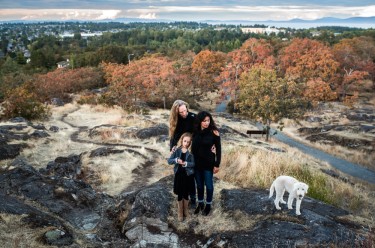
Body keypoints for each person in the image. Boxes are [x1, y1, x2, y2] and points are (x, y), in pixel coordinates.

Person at [192, 111, 221, 216]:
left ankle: (208, 205)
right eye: (204, 121)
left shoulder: (214, 132)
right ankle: (200, 203)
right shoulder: (195, 132)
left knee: (209, 186)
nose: (206, 123)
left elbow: (219, 150)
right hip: (196, 164)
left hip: (208, 164)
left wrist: (217, 164)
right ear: (200, 121)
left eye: (208, 120)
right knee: (199, 185)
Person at [168, 100, 197, 207]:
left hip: (193, 149)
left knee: (191, 174)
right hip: (181, 148)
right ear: (176, 113)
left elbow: (204, 127)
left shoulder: (193, 117)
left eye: (185, 110)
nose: (185, 113)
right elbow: (173, 136)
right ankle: (184, 197)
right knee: (182, 174)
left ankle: (193, 198)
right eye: (181, 112)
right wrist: (172, 148)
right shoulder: (175, 121)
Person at [167, 132, 195, 221]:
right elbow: (169, 161)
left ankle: (185, 210)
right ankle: (180, 211)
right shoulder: (177, 150)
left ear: (190, 143)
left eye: (188, 142)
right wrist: (176, 160)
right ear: (181, 140)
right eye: (185, 141)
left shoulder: (191, 153)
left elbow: (194, 164)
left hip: (187, 175)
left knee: (186, 192)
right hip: (179, 174)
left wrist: (186, 163)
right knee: (180, 192)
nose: (186, 143)